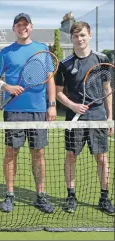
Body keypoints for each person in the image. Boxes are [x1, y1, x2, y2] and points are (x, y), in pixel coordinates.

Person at [0, 13, 56, 214]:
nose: (23, 28)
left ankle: (40, 195)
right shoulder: (5, 52)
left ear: (31, 26)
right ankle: (10, 195)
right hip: (13, 111)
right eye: (19, 25)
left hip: (38, 110)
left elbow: (50, 79)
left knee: (38, 153)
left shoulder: (43, 49)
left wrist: (51, 104)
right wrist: (7, 87)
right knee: (11, 153)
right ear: (14, 28)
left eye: (26, 25)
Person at [55, 21, 114, 214]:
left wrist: (110, 117)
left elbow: (107, 90)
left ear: (89, 36)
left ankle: (104, 198)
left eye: (83, 35)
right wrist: (72, 106)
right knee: (71, 156)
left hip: (97, 116)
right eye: (75, 36)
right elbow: (58, 93)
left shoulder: (102, 59)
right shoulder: (65, 64)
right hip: (74, 117)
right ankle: (71, 196)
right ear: (71, 39)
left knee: (102, 158)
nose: (79, 39)